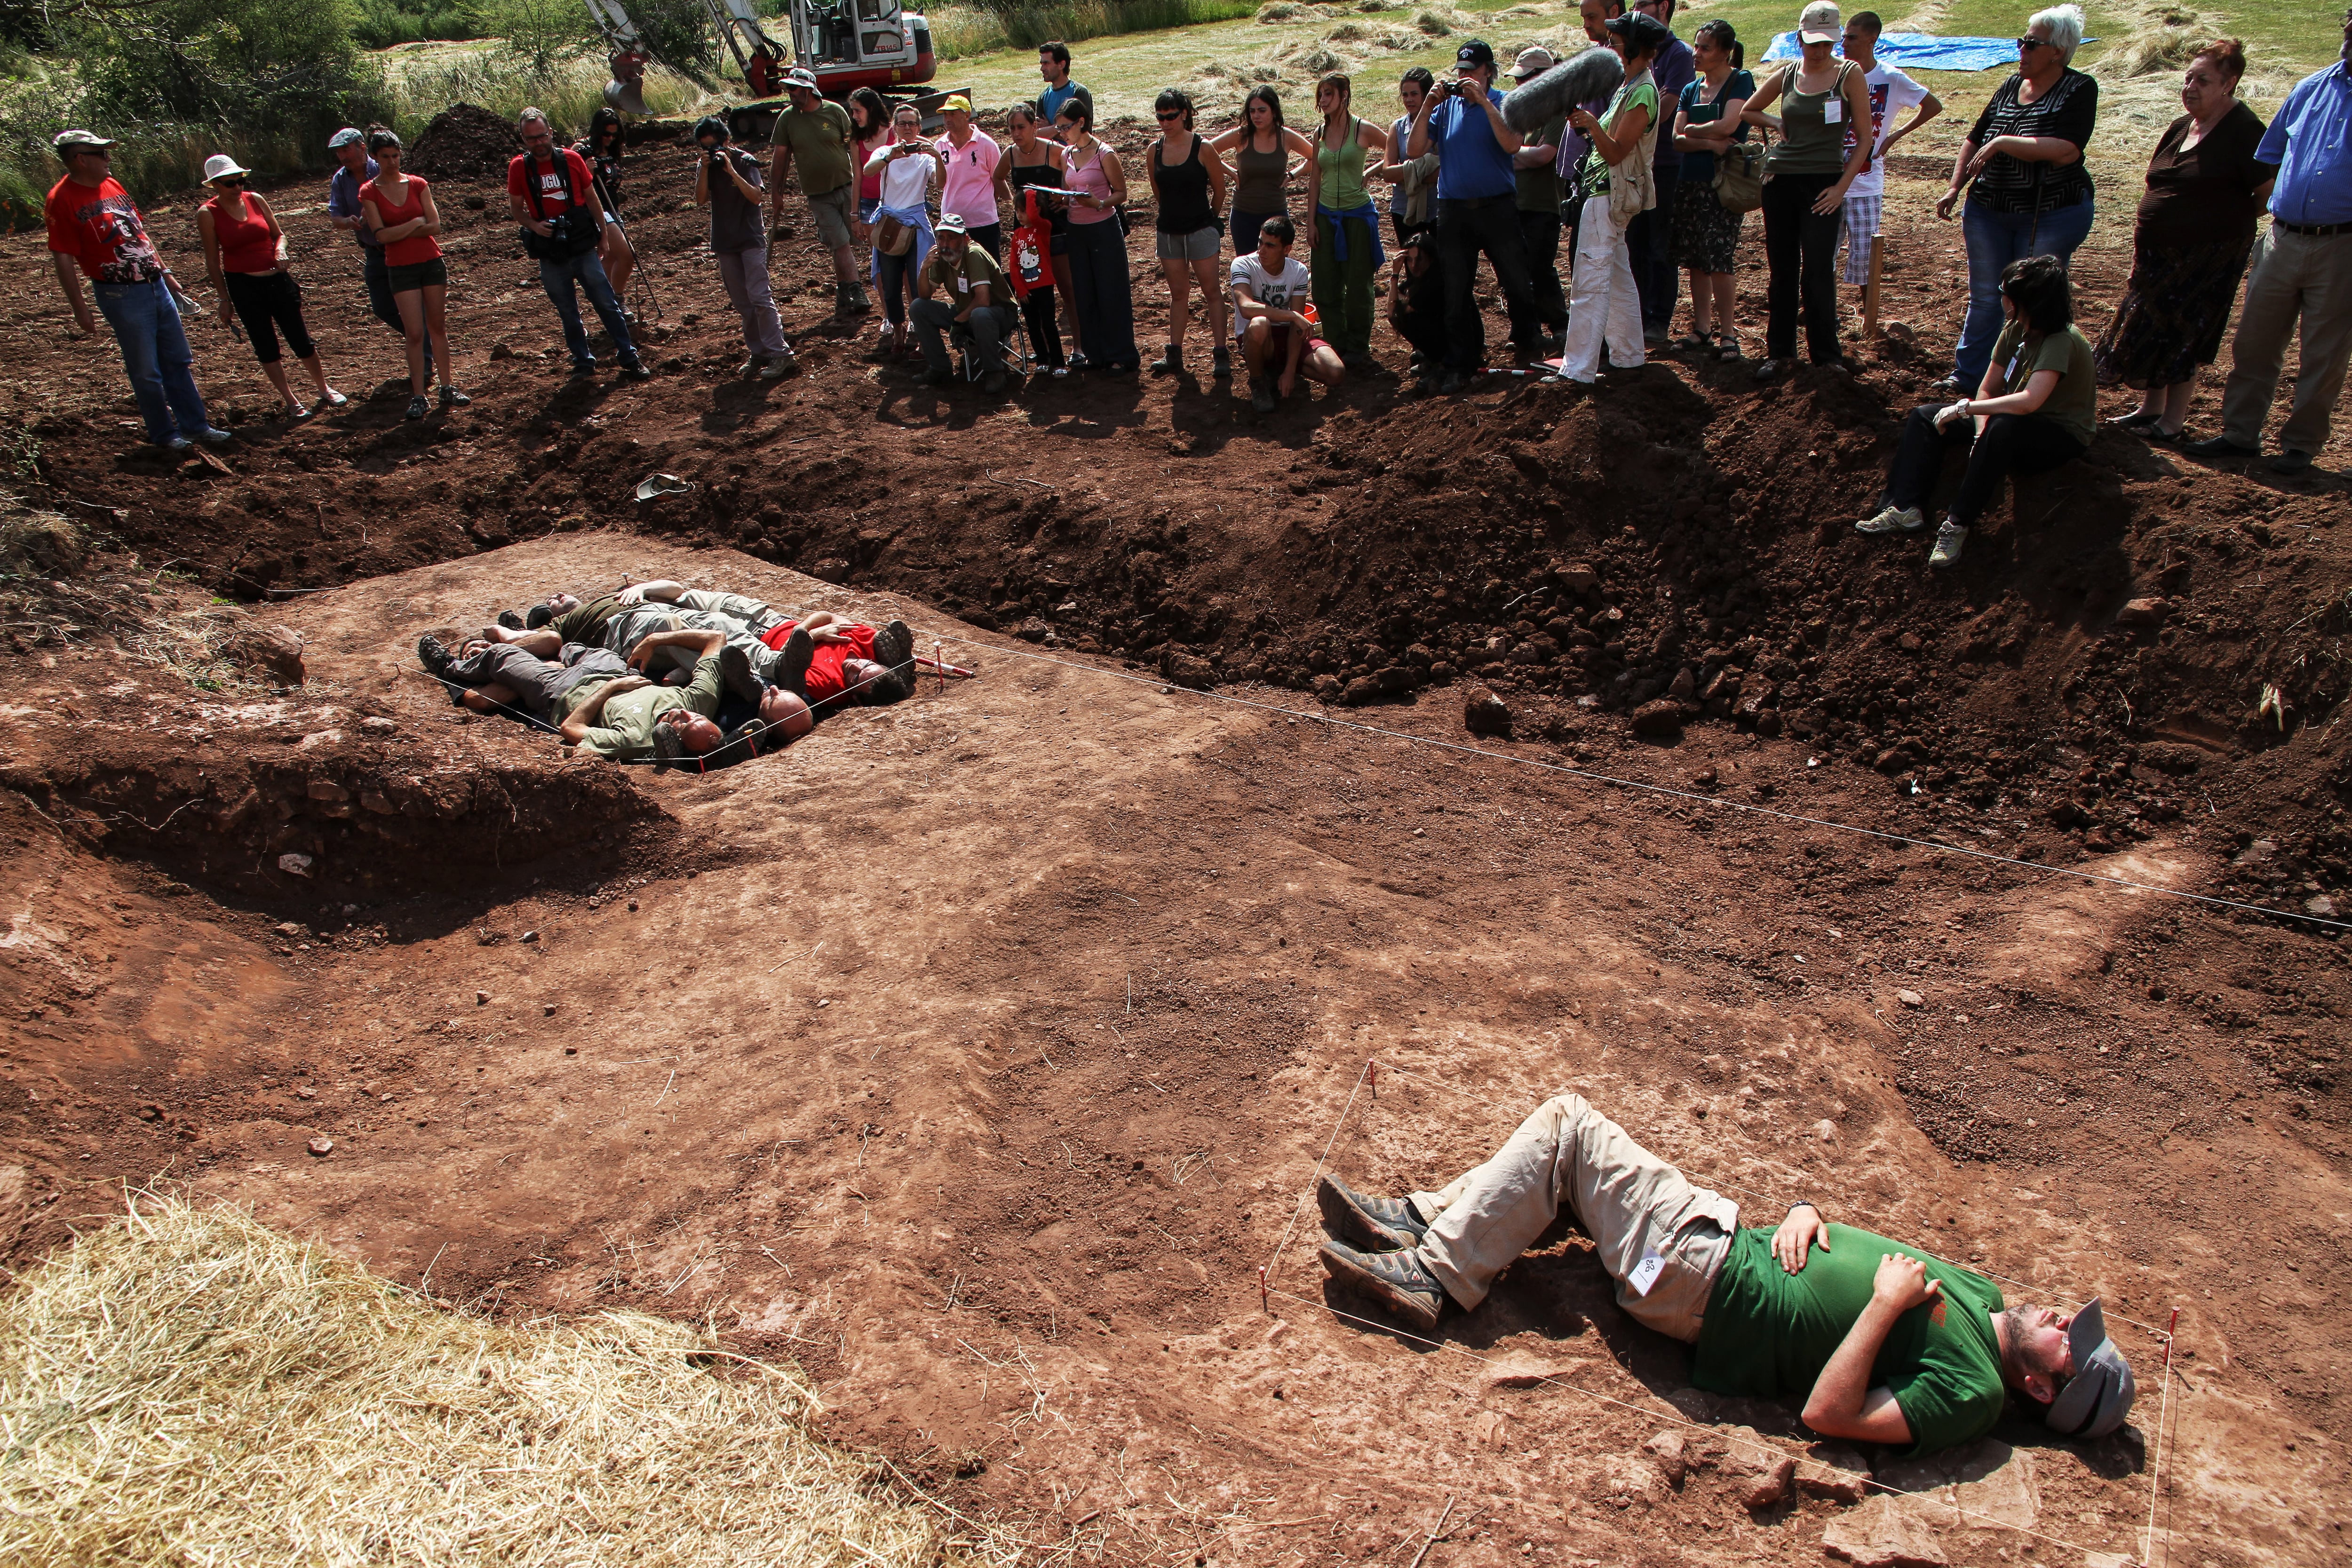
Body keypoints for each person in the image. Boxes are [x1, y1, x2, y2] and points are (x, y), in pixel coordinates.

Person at [1311, 1089, 2137, 1457]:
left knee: (1568, 1127)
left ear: (2042, 1392)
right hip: (1727, 1243)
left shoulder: (1973, 1395)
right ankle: (1420, 1222)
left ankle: (1430, 1272)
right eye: (2079, 1319)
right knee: (1567, 1170)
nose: (2067, 1319)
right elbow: (1864, 1246)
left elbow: (1828, 1414)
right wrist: (1811, 1209)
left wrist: (1884, 1306)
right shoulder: (1988, 1299)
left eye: (2074, 1343)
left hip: (1705, 1280)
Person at [2188, 8, 2352, 477]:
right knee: (2254, 343)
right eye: (2347, 22)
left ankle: (2299, 448)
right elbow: (2272, 156)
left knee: (2322, 353)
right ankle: (2239, 435)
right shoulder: (2310, 88)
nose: (2348, 32)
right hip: (2281, 237)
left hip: (2341, 244)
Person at [1857, 254, 2092, 568]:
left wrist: (1966, 409)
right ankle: (1905, 507)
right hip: (2014, 422)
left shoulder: (2060, 340)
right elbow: (1988, 389)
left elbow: (2029, 401)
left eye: (2005, 292)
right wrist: (1980, 431)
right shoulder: (2015, 331)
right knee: (1926, 416)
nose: (2001, 298)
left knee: (2003, 427)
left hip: (2059, 434)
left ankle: (1958, 523)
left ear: (2025, 301)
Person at [2093, 41, 2268, 445]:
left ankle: (2172, 421)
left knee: (2186, 329)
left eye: (2202, 80)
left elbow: (2265, 194)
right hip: (2158, 254)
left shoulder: (2243, 130)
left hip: (2207, 256)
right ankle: (2150, 409)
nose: (2189, 86)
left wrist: (2215, 223)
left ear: (2229, 84)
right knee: (2153, 323)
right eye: (2187, 77)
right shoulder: (2179, 126)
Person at [1932, 5, 2099, 396]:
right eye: (2021, 42)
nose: (2020, 50)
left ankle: (2031, 383)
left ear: (2057, 51)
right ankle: (1969, 376)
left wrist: (2004, 142)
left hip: (2052, 212)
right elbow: (1975, 138)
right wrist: (1955, 187)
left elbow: (2067, 150)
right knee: (1988, 296)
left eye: (2030, 44)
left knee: (2035, 300)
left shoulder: (2078, 88)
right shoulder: (2009, 85)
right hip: (1988, 209)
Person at [45, 128, 228, 454]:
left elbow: (138, 234)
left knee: (177, 359)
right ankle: (165, 434)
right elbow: (63, 255)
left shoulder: (112, 184)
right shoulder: (62, 199)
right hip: (122, 294)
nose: (108, 159)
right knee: (146, 370)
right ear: (80, 159)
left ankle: (196, 427)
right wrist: (79, 308)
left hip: (155, 284)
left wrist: (166, 273)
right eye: (101, 154)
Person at [1743, 1, 1875, 380]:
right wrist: (1775, 122)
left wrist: (1841, 188)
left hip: (1823, 184)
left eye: (1827, 44)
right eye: (1813, 43)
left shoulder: (1848, 74)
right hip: (1780, 180)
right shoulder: (1788, 75)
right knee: (1782, 269)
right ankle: (1780, 352)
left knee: (1818, 270)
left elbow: (1865, 139)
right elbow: (1749, 111)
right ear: (1800, 37)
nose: (1820, 51)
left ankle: (1827, 355)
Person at [1409, 40, 1539, 392]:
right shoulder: (1446, 107)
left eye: (1471, 72)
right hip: (1454, 210)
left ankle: (1528, 340)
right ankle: (1461, 360)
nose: (1464, 77)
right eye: (1460, 71)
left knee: (1515, 280)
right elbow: (1415, 149)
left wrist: (1482, 101)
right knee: (1456, 289)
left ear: (1488, 73)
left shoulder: (1505, 102)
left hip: (1497, 206)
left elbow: (1512, 143)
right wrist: (1428, 106)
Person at [1556, 14, 1669, 387]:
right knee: (1618, 277)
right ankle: (1628, 354)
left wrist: (1592, 125)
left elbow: (1618, 151)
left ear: (1636, 47)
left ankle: (1578, 368)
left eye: (1617, 42)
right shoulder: (1631, 86)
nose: (1611, 48)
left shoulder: (1642, 92)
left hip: (1609, 195)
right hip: (1606, 193)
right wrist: (1589, 126)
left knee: (1589, 283)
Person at [194, 155, 342, 421]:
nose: (238, 187)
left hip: (277, 279)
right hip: (244, 285)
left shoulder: (256, 199)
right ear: (215, 185)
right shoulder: (208, 214)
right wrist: (224, 299)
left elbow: (279, 235)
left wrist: (280, 251)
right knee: (265, 344)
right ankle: (292, 400)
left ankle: (324, 388)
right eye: (230, 183)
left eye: (240, 181)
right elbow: (212, 261)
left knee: (300, 338)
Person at [508, 109, 648, 382]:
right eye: (531, 139)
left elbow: (592, 198)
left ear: (550, 133)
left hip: (582, 245)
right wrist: (535, 226)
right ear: (523, 140)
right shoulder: (519, 167)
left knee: (607, 303)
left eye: (542, 136)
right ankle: (583, 361)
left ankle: (629, 356)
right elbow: (516, 209)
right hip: (551, 251)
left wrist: (603, 236)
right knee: (568, 312)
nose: (538, 143)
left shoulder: (571, 160)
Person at [1837, 13, 1941, 327]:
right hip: (1828, 178)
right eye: (1844, 36)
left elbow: (1933, 105)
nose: (1844, 43)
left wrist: (1894, 136)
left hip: (1866, 183)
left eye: (1852, 37)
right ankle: (1821, 313)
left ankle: (1870, 321)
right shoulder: (1835, 74)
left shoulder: (1891, 78)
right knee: (1819, 254)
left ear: (1872, 40)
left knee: (1866, 257)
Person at [360, 130, 469, 422]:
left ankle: (447, 387)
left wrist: (402, 230)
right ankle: (419, 395)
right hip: (400, 268)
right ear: (376, 158)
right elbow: (381, 236)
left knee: (437, 327)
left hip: (431, 262)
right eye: (385, 157)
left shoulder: (419, 184)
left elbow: (434, 226)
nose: (392, 162)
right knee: (415, 333)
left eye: (395, 156)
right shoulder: (369, 191)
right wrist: (414, 223)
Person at [1669, 19, 1754, 361]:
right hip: (1691, 182)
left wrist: (1693, 132)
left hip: (1724, 186)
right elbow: (1676, 140)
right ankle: (1702, 328)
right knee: (1695, 261)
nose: (1696, 53)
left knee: (1720, 260)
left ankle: (1728, 334)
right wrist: (1710, 142)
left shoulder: (1740, 80)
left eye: (1705, 47)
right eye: (1696, 45)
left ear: (1725, 51)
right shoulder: (1691, 88)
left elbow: (1731, 125)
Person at [325, 125, 434, 385]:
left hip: (400, 247)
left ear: (363, 148)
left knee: (413, 309)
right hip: (374, 252)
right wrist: (347, 221)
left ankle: (425, 359)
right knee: (383, 307)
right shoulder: (341, 180)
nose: (343, 156)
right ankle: (421, 337)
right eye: (339, 152)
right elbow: (335, 217)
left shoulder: (383, 169)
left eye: (346, 149)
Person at [695, 116, 795, 380]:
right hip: (725, 241)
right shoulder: (705, 164)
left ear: (727, 141)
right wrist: (705, 169)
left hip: (750, 238)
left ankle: (780, 353)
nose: (712, 152)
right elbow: (701, 199)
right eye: (705, 148)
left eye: (715, 146)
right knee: (743, 303)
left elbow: (756, 197)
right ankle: (759, 351)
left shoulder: (746, 161)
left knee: (760, 297)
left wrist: (730, 170)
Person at [1145, 88, 1232, 379]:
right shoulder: (1154, 150)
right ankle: (1175, 354)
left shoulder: (1203, 148)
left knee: (1212, 293)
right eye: (1160, 117)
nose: (1165, 122)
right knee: (1178, 294)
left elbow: (1220, 190)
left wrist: (1210, 221)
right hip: (1169, 232)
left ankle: (1221, 353)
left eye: (1171, 116)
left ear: (1184, 115)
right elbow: (1159, 193)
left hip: (1200, 230)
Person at [557, 629, 739, 764]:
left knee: (541, 650)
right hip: (616, 670)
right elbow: (716, 638)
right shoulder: (698, 701)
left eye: (684, 724)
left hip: (565, 692)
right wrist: (655, 639)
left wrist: (611, 687)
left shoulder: (636, 740)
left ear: (674, 740)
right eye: (697, 716)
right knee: (562, 644)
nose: (685, 712)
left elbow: (570, 727)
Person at [769, 67, 867, 320]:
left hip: (845, 186)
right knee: (840, 242)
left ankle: (844, 290)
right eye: (788, 88)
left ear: (809, 89)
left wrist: (863, 180)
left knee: (847, 243)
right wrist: (776, 193)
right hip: (818, 194)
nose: (789, 93)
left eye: (793, 88)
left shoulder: (835, 112)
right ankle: (858, 291)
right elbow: (780, 158)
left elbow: (852, 147)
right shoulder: (787, 119)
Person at [1309, 74, 1391, 374]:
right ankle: (1336, 341)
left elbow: (1394, 149)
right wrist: (1311, 222)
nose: (1323, 101)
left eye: (1329, 94)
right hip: (1326, 217)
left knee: (1358, 285)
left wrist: (1371, 172)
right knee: (1324, 284)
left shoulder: (1363, 128)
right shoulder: (1319, 132)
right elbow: (1316, 178)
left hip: (1358, 217)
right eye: (1320, 95)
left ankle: (1358, 345)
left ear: (1344, 95)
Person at [1625, 0, 1694, 348]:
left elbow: (1666, 108)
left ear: (1663, 6)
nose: (1636, 8)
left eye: (1642, 3)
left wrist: (1629, 123)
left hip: (1664, 163)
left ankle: (1658, 319)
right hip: (1634, 162)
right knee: (1634, 243)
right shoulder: (1631, 53)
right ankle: (1635, 315)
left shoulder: (1678, 54)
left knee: (1659, 244)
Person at [1058, 96, 1140, 374]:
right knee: (1085, 292)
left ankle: (1121, 354)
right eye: (1059, 128)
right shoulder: (1066, 154)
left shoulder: (1105, 154)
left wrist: (1100, 203)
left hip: (1103, 229)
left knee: (1111, 291)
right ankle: (1095, 354)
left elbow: (1121, 193)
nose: (1062, 133)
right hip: (1076, 230)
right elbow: (1067, 189)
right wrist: (1062, 201)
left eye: (1066, 127)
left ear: (1082, 123)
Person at [1232, 215, 1343, 412]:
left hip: (1288, 337)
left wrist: (1291, 371)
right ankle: (1258, 382)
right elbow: (1246, 308)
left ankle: (1282, 369)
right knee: (1260, 324)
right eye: (1261, 242)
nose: (1261, 250)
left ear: (1287, 249)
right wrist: (1291, 315)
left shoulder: (1298, 271)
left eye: (1270, 246)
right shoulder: (1243, 265)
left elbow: (1296, 329)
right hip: (1259, 336)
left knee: (1335, 373)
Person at [866, 103, 945, 362]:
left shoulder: (924, 157)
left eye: (912, 124)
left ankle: (923, 336)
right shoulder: (885, 152)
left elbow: (941, 183)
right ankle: (898, 333)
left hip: (915, 224)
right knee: (889, 285)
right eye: (902, 124)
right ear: (894, 127)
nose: (908, 129)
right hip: (890, 225)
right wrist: (891, 157)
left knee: (917, 284)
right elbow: (868, 171)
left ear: (920, 127)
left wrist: (936, 156)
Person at [1000, 103, 1071, 375]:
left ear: (1035, 126)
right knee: (1034, 319)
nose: (1016, 133)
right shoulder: (1010, 154)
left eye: (1021, 127)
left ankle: (1074, 351)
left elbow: (1071, 177)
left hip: (1055, 229)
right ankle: (1044, 359)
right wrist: (1013, 204)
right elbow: (997, 177)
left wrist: (1061, 196)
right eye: (1012, 128)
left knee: (1067, 294)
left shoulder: (1056, 150)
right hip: (1028, 238)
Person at [1508, 48, 1569, 360]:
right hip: (1519, 201)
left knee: (1539, 266)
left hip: (1545, 202)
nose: (1519, 85)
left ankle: (1559, 322)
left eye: (1523, 78)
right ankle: (1526, 328)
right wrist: (1522, 154)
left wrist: (1516, 153)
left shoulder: (1556, 113)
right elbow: (1517, 156)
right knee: (1517, 267)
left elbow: (1545, 156)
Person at [913, 214, 1015, 393]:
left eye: (951, 238)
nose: (945, 244)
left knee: (980, 314)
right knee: (918, 307)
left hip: (1000, 314)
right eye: (941, 238)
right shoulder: (942, 256)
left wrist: (958, 321)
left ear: (965, 239)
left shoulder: (974, 254)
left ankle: (994, 372)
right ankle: (940, 369)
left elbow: (983, 300)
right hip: (967, 313)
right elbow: (925, 295)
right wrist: (924, 268)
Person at [416, 635, 635, 719]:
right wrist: (515, 678)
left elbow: (552, 640)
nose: (479, 649)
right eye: (472, 651)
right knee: (499, 654)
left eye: (482, 646)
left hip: (599, 671)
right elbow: (479, 700)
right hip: (566, 686)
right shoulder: (473, 677)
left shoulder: (523, 650)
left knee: (606, 656)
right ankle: (448, 665)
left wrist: (520, 651)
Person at [1208, 86, 1314, 259]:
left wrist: (1292, 175)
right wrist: (1232, 173)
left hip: (1276, 213)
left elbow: (1316, 157)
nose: (1256, 116)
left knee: (1276, 267)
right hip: (1243, 215)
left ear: (1274, 111)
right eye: (1252, 111)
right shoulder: (1241, 135)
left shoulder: (1285, 137)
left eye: (1262, 110)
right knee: (1247, 266)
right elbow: (1205, 151)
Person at [756, 612, 918, 711]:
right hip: (777, 620)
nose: (854, 665)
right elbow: (828, 616)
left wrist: (814, 635)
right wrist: (802, 628)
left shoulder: (827, 685)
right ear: (877, 662)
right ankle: (901, 666)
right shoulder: (868, 644)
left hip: (758, 640)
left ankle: (902, 667)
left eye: (855, 677)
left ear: (854, 698)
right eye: (867, 664)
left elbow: (784, 662)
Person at [934, 95, 1006, 261]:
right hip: (951, 224)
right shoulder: (939, 146)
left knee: (989, 271)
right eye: (945, 115)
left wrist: (989, 204)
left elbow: (998, 178)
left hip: (983, 223)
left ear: (967, 115)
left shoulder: (986, 144)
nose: (947, 119)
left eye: (952, 114)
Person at [576, 106, 635, 310]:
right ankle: (617, 300)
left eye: (614, 134)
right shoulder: (582, 150)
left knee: (610, 259)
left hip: (613, 209)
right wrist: (586, 171)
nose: (610, 138)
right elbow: (568, 182)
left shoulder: (611, 151)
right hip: (595, 210)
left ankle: (607, 305)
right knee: (628, 256)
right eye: (606, 134)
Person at [1380, 68, 1442, 246]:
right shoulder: (1398, 128)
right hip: (1405, 209)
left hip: (1439, 207)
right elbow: (1388, 174)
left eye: (1414, 94)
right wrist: (1424, 169)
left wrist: (1408, 174)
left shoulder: (1442, 123)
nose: (1409, 100)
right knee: (1413, 266)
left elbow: (1448, 170)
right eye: (1405, 95)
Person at [847, 87, 894, 317]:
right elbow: (857, 175)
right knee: (881, 261)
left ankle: (910, 314)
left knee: (903, 260)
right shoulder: (856, 139)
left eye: (858, 111)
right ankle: (888, 315)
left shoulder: (895, 133)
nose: (855, 117)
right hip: (868, 204)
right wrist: (854, 214)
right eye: (853, 112)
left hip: (896, 202)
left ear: (872, 109)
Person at [1388, 231, 1449, 380]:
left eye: (1419, 260)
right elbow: (1399, 295)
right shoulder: (1425, 276)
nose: (1414, 266)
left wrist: (1395, 275)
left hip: (1452, 342)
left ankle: (1439, 361)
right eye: (1409, 260)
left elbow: (1392, 313)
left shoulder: (1434, 282)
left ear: (1431, 258)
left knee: (1404, 319)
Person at [1038, 40, 1091, 135]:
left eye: (1046, 63)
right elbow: (1038, 135)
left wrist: (1050, 128)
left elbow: (1083, 133)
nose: (1042, 69)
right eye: (1042, 64)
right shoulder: (1043, 97)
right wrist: (1066, 127)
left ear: (1062, 65)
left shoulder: (1079, 92)